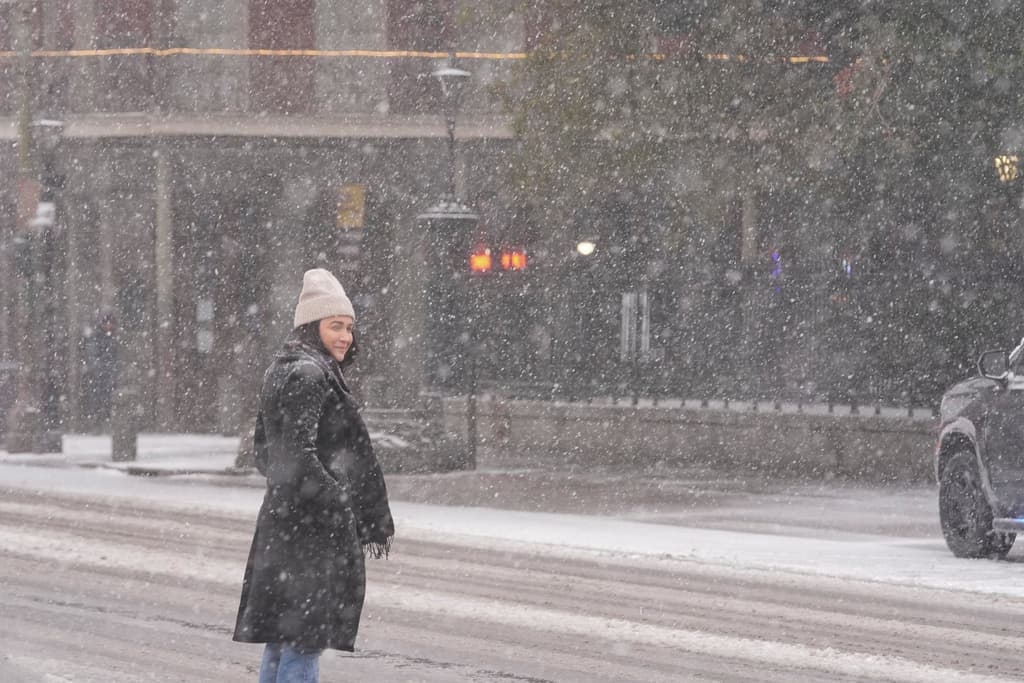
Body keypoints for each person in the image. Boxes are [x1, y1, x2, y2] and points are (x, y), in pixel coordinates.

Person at [233, 268, 394, 683]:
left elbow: (266, 453)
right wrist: (339, 501)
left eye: (349, 328)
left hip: (287, 525)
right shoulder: (310, 374)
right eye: (336, 326)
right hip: (311, 532)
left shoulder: (285, 368)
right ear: (312, 326)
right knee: (304, 640)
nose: (346, 337)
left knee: (285, 638)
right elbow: (297, 456)